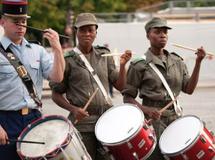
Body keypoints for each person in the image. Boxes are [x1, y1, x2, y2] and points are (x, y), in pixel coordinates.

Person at [50, 13, 131, 160]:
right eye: (83, 30)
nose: (87, 34)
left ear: (95, 33)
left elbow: (120, 86)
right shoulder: (68, 59)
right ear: (76, 32)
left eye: (90, 30)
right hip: (83, 123)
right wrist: (73, 109)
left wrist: (123, 66)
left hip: (106, 120)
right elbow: (55, 94)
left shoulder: (104, 55)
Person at [122, 17, 206, 160]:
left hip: (176, 119)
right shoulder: (139, 65)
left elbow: (189, 89)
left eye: (165, 32)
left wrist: (198, 63)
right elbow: (127, 98)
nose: (163, 35)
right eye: (158, 32)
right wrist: (147, 110)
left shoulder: (177, 61)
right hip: (153, 121)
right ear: (148, 35)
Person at [0, 0, 65, 160]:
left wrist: (57, 49)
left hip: (33, 118)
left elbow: (57, 77)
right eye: (15, 21)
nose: (21, 25)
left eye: (24, 21)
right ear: (3, 22)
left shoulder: (38, 50)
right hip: (6, 120)